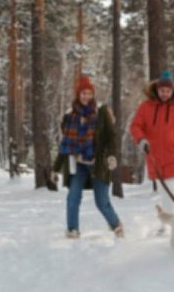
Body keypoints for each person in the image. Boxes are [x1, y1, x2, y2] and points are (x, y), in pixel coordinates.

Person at [53, 75, 123, 239]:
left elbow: (111, 137)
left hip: (98, 163)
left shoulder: (101, 112)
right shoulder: (70, 115)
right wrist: (55, 168)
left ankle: (116, 225)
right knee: (73, 198)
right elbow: (65, 144)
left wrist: (112, 156)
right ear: (78, 95)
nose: (86, 96)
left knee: (102, 202)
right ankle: (72, 230)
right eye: (83, 93)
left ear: (92, 94)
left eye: (89, 93)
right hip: (78, 165)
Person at [129, 70, 174, 215]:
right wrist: (141, 139)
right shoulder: (146, 107)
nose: (165, 94)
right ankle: (169, 220)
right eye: (162, 90)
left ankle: (168, 225)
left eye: (168, 91)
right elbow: (135, 126)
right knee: (163, 191)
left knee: (169, 188)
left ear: (172, 91)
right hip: (154, 155)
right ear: (157, 89)